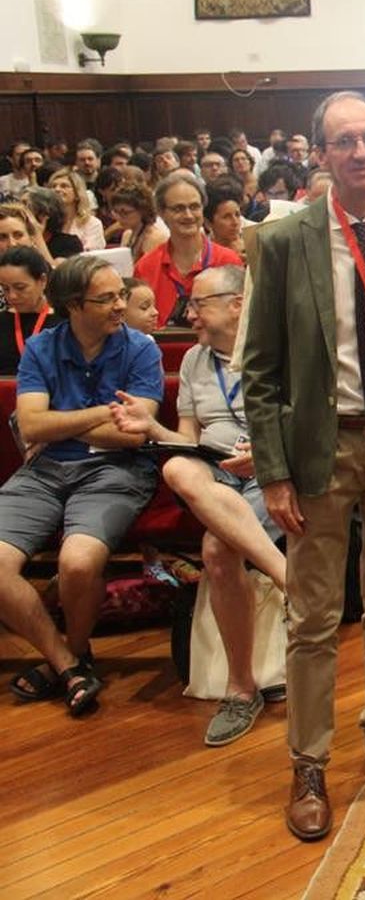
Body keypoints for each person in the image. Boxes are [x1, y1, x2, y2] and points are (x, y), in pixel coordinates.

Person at [239, 90, 365, 842]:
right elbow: (260, 368)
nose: (361, 152)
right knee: (315, 614)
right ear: (321, 154)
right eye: (345, 141)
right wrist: (273, 472)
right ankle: (309, 761)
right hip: (323, 446)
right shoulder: (284, 241)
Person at [108, 265, 288, 746]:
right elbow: (186, 439)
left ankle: (240, 688)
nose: (188, 315)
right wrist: (151, 428)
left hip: (269, 472)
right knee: (176, 468)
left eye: (198, 304)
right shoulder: (193, 359)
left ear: (236, 304)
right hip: (213, 470)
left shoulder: (279, 349)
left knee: (216, 551)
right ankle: (286, 576)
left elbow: (312, 427)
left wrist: (267, 453)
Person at [0, 255, 163, 717]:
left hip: (115, 471)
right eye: (107, 298)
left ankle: (71, 655)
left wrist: (59, 422)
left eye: (121, 295)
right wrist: (101, 413)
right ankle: (70, 663)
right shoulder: (42, 348)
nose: (121, 305)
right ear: (74, 306)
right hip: (45, 470)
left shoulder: (141, 349)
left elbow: (134, 433)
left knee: (77, 563)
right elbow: (32, 426)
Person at [132, 171, 244, 326]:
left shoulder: (228, 261)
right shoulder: (146, 267)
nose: (189, 215)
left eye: (194, 207)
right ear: (162, 213)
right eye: (178, 209)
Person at [0, 245, 61, 374]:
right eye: (5, 288)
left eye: (20, 287)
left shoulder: (63, 322)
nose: (12, 296)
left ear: (43, 280)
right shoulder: (2, 321)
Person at [48, 169, 106, 250]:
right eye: (53, 186)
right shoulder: (46, 222)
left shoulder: (92, 224)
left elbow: (89, 255)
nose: (57, 189)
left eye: (64, 186)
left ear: (77, 193)